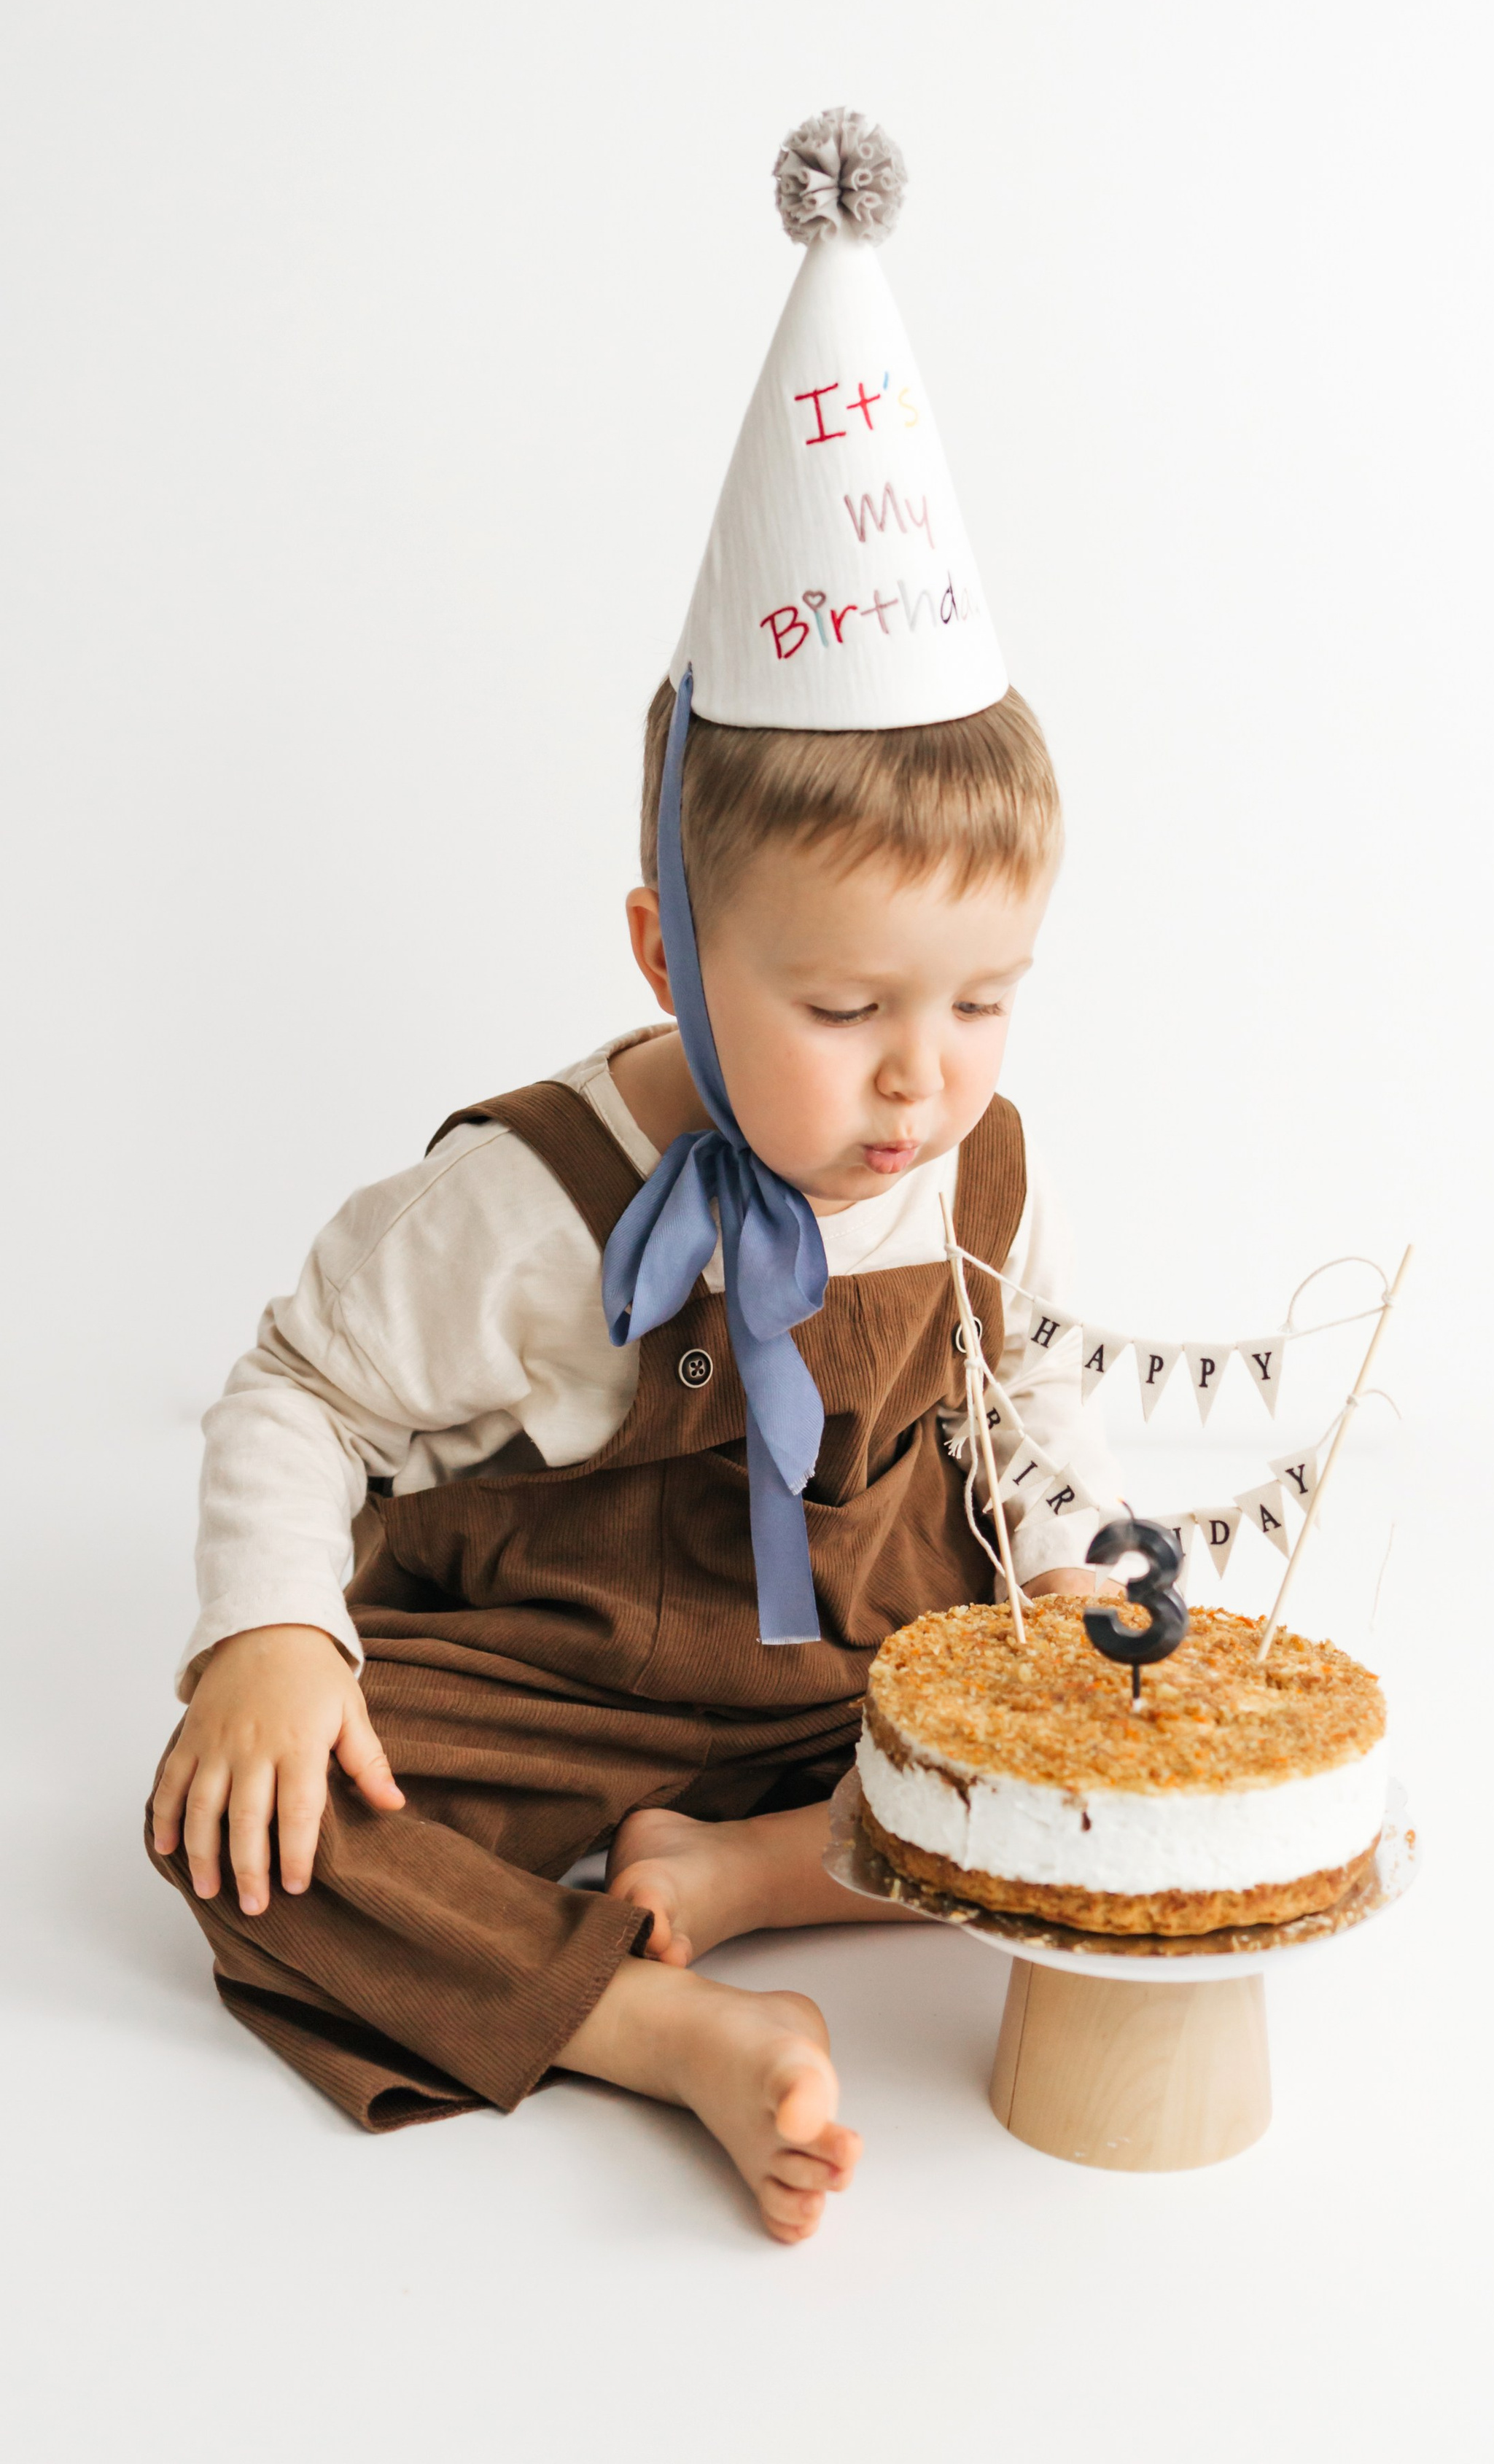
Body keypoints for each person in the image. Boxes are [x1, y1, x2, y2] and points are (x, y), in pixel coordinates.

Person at [147, 112, 1119, 2243]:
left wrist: (1055, 1571)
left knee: (1127, 1713)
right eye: (853, 1009)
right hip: (570, 1675)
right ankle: (652, 2024)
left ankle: (782, 1870)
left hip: (856, 1666)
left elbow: (1005, 1383)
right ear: (671, 947)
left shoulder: (969, 1160)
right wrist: (272, 1645)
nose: (923, 1081)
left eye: (984, 1003)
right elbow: (297, 1392)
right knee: (244, 1828)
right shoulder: (537, 1201)